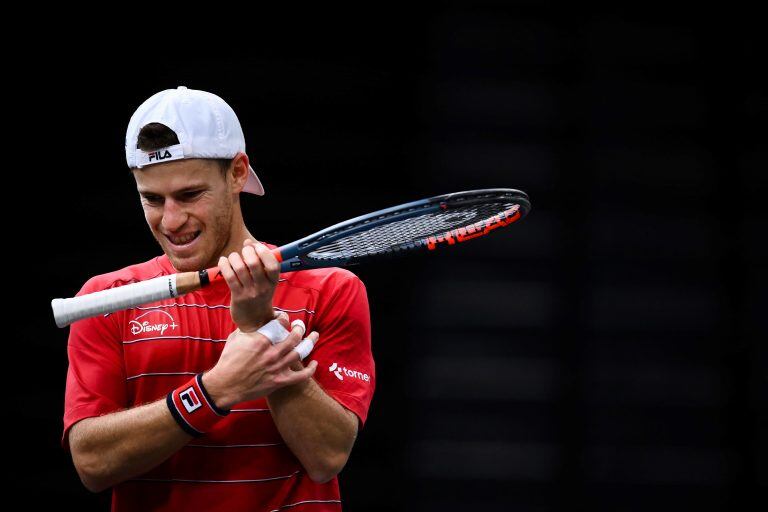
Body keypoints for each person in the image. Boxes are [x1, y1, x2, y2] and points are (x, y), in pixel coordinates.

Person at [62, 86, 375, 511]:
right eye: (152, 199)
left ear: (237, 173)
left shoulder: (333, 289)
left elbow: (327, 457)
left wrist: (261, 326)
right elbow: (92, 464)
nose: (171, 221)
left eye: (190, 195)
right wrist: (214, 392)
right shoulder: (105, 299)